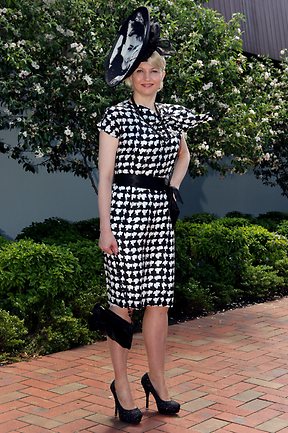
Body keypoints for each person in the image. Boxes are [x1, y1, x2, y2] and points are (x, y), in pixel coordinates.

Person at [97, 6, 209, 425]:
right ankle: (122, 385)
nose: (147, 76)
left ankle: (158, 382)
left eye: (154, 70)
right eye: (140, 70)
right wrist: (105, 226)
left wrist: (174, 187)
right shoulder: (115, 116)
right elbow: (105, 177)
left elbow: (184, 155)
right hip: (124, 213)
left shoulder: (173, 115)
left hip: (160, 216)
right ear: (130, 76)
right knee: (121, 306)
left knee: (158, 303)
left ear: (163, 76)